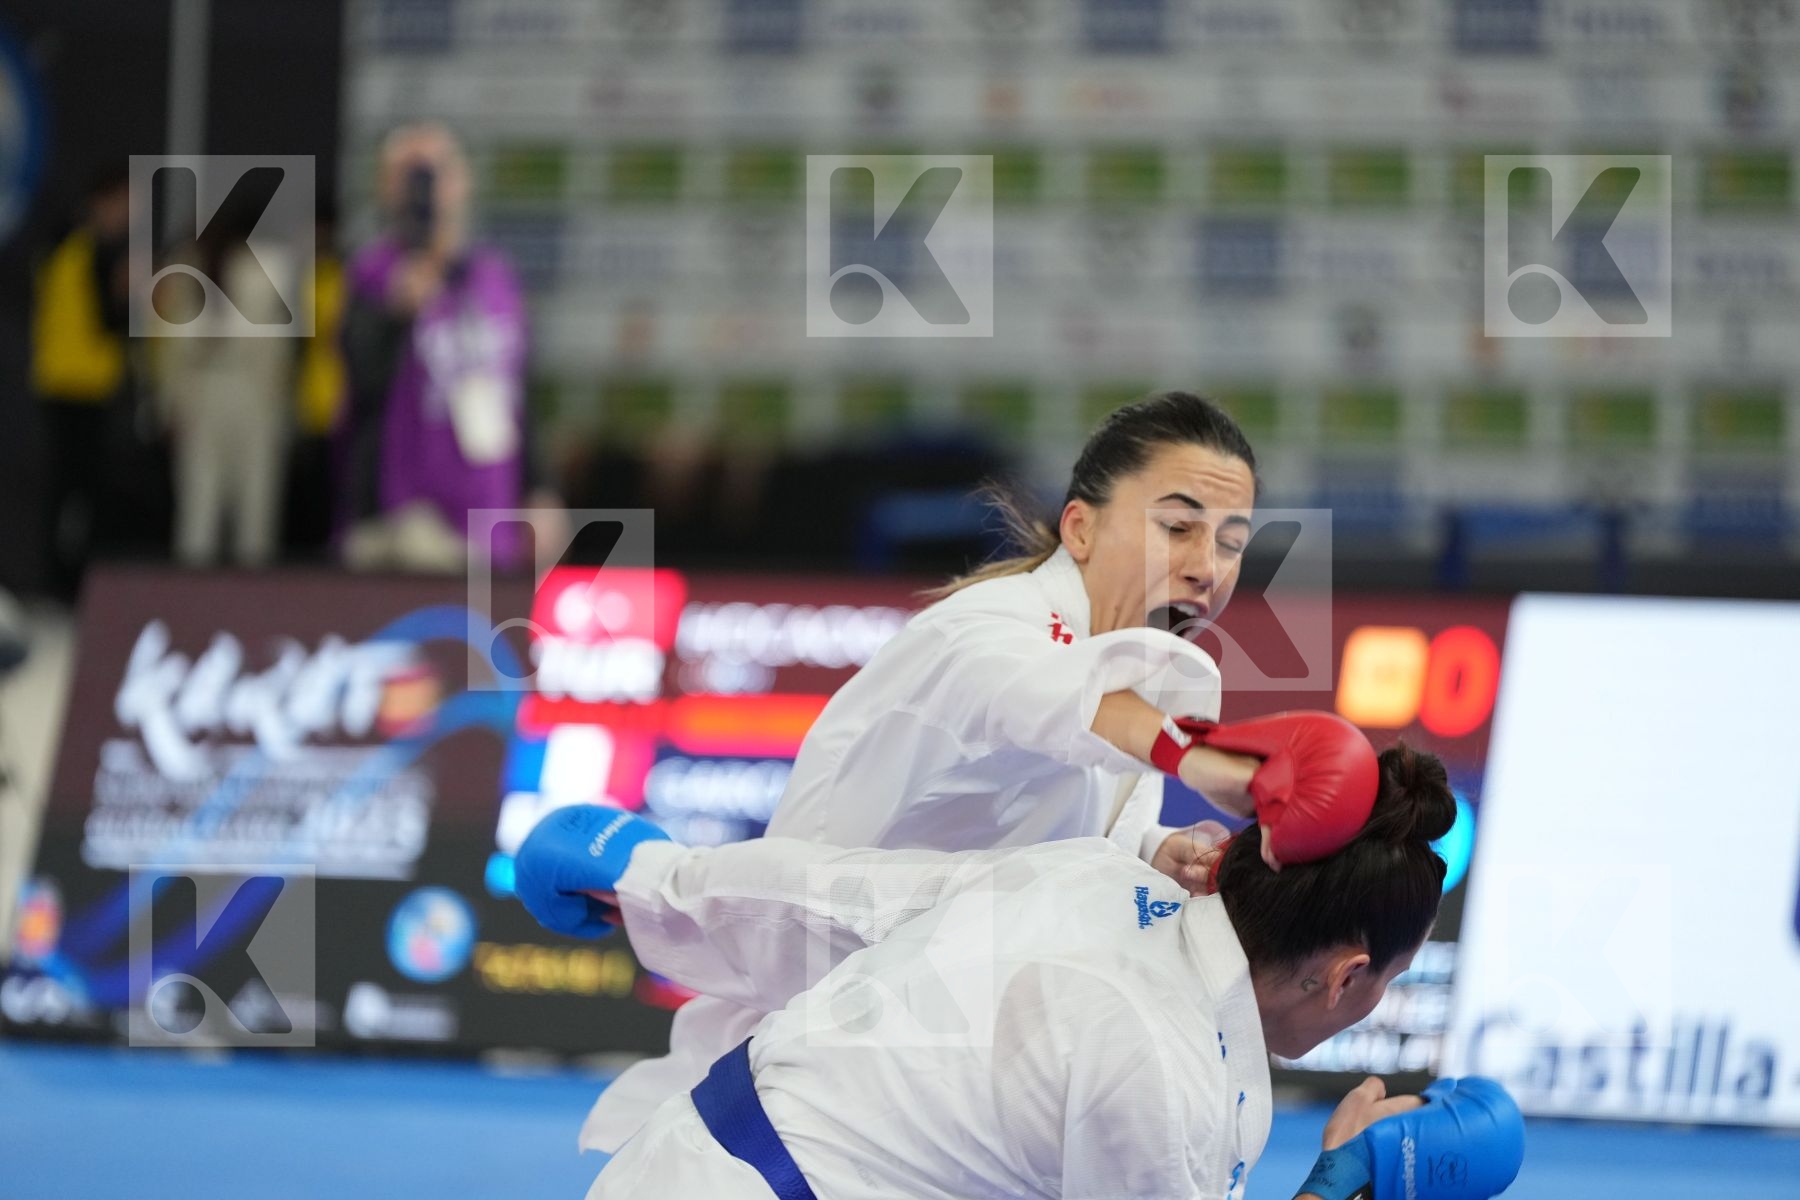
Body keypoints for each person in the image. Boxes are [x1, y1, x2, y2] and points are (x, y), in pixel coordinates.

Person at [582, 390, 1372, 1151]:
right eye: (1177, 526)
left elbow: (1036, 851)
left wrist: (1148, 851)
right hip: (811, 1069)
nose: (1208, 566)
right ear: (1082, 529)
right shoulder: (987, 632)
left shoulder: (1153, 680)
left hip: (946, 1088)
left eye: (1231, 543)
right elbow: (1046, 699)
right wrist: (1193, 755)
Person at [517, 744, 1525, 1199]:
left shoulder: (1092, 867)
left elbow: (848, 899)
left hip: (662, 1171)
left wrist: (646, 875)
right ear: (1348, 976)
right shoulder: (1178, 1078)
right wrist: (1347, 1184)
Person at [337, 123, 534, 571]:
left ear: (463, 181)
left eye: (437, 171)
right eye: (409, 172)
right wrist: (392, 314)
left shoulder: (493, 278)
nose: (425, 186)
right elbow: (359, 379)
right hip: (404, 522)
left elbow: (518, 390)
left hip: (489, 519)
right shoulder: (372, 274)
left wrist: (538, 487)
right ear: (386, 187)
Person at [32, 167, 132, 598]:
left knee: (67, 492)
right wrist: (131, 293)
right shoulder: (95, 252)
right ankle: (71, 587)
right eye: (125, 204)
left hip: (60, 382)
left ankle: (60, 582)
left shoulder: (64, 247)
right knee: (82, 494)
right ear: (104, 202)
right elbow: (108, 321)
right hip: (83, 386)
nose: (129, 215)